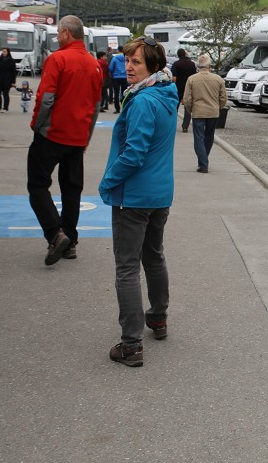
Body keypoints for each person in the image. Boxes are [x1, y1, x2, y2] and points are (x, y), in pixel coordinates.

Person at [98, 36, 177, 367]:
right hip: (159, 194)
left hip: (136, 196)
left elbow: (134, 152)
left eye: (136, 62)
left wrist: (108, 181)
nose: (128, 66)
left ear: (153, 67)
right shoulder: (164, 93)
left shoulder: (144, 101)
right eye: (127, 60)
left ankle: (131, 344)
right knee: (153, 256)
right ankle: (157, 318)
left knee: (127, 266)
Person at [27, 15, 103, 266]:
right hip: (78, 137)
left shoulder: (57, 59)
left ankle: (54, 234)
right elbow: (95, 105)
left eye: (58, 33)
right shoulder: (94, 65)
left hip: (52, 134)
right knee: (72, 190)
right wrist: (86, 137)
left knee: (38, 186)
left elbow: (46, 98)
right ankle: (70, 241)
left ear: (67, 34)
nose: (57, 37)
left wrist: (38, 125)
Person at [183, 54, 227, 173]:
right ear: (210, 65)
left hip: (198, 111)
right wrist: (218, 107)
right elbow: (223, 98)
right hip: (213, 111)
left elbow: (187, 98)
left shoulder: (192, 79)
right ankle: (204, 159)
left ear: (198, 66)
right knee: (209, 136)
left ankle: (203, 163)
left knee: (198, 138)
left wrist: (191, 109)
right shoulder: (218, 79)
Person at [171, 48, 197, 133]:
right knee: (187, 108)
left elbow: (174, 78)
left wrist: (174, 87)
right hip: (188, 87)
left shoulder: (176, 64)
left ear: (178, 55)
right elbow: (194, 77)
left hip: (178, 88)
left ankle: (172, 125)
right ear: (185, 54)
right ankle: (185, 127)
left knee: (175, 108)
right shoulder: (192, 64)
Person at [0, 47, 18, 112]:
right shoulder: (0, 59)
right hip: (0, 78)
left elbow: (13, 72)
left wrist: (13, 82)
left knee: (5, 94)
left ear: (8, 52)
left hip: (8, 79)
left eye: (4, 52)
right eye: (2, 51)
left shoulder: (11, 61)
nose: (3, 53)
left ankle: (5, 108)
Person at [109, 48, 128, 113]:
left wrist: (113, 74)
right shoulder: (126, 58)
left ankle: (117, 109)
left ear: (118, 51)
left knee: (116, 93)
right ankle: (124, 107)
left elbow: (111, 68)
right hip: (125, 77)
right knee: (124, 93)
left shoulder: (115, 58)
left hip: (116, 77)